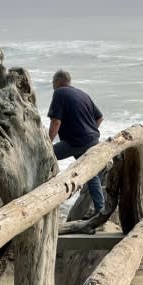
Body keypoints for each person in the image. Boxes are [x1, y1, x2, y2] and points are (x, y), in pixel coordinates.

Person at [47, 69, 105, 214]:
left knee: (44, 158)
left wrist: (47, 144)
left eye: (53, 83)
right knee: (92, 175)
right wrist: (88, 133)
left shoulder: (59, 93)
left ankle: (45, 198)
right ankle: (101, 210)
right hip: (92, 140)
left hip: (75, 142)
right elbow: (99, 117)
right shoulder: (83, 94)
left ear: (58, 82)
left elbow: (56, 121)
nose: (53, 86)